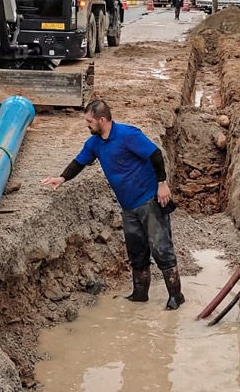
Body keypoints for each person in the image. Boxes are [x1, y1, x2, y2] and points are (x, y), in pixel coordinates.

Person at [41, 99, 185, 310]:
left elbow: (154, 154)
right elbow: (79, 162)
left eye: (89, 121)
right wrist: (62, 178)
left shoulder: (128, 135)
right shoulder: (95, 143)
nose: (87, 125)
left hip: (148, 200)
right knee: (136, 252)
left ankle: (176, 296)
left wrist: (162, 184)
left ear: (102, 120)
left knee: (160, 248)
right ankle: (139, 295)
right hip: (128, 207)